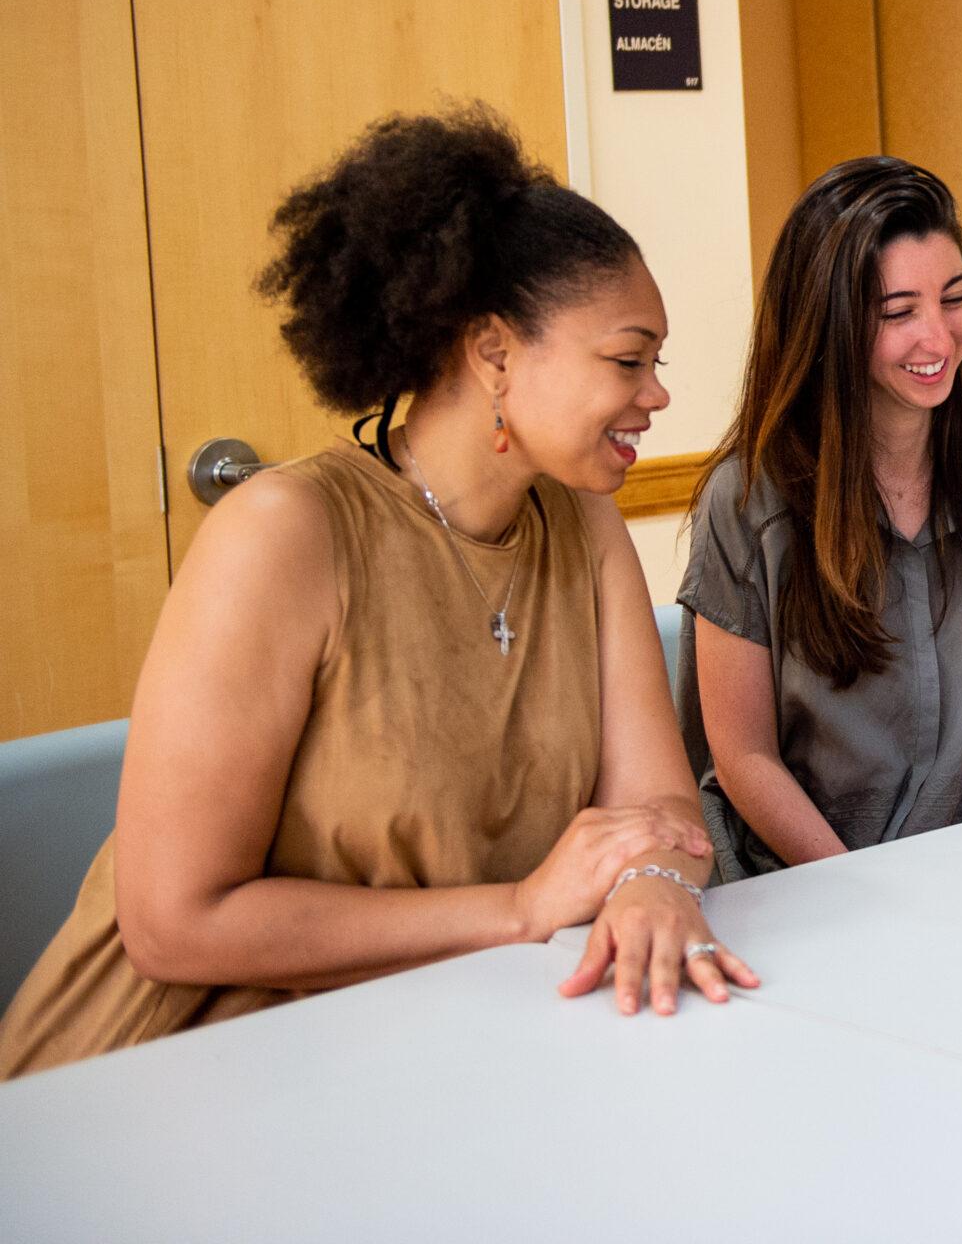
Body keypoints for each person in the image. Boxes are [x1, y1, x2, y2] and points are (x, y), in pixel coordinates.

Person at [0, 110, 756, 1081]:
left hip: (429, 1037)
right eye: (626, 359)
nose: (655, 395)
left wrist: (652, 886)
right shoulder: (284, 534)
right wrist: (524, 908)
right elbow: (174, 927)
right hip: (173, 1072)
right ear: (492, 352)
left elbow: (654, 807)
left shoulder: (582, 521)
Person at [677, 158, 962, 878]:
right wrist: (866, 895)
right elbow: (744, 757)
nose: (939, 338)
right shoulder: (747, 505)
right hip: (806, 893)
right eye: (898, 313)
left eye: (953, 299)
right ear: (829, 327)